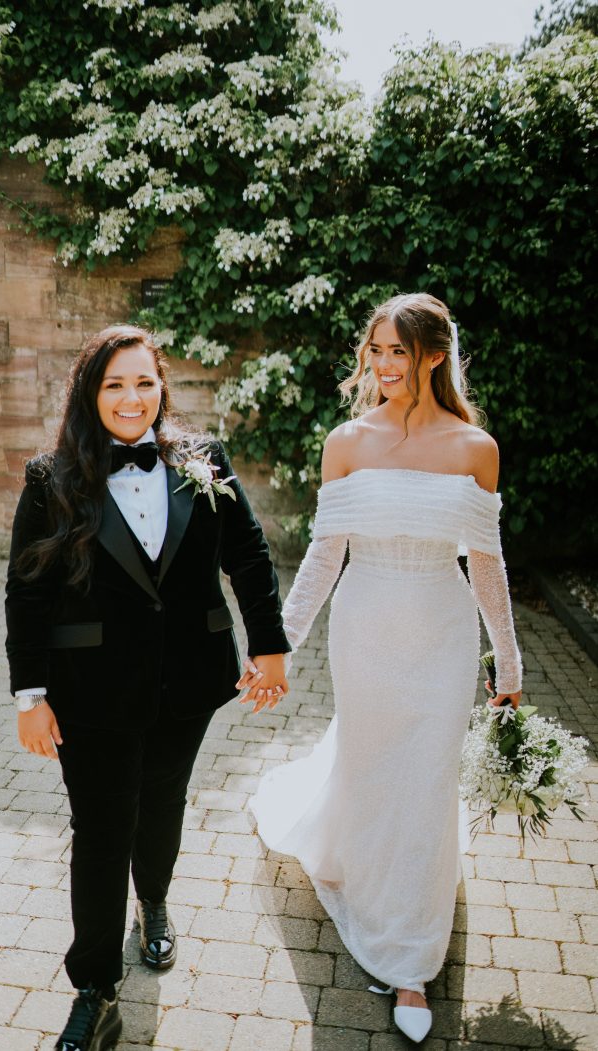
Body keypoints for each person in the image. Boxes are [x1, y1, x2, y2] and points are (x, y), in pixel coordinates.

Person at [245, 293, 522, 1043]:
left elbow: (487, 566)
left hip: (442, 632)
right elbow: (323, 557)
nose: (384, 364)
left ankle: (410, 961)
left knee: (429, 778)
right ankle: (368, 874)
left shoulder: (475, 448)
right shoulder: (345, 441)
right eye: (376, 349)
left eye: (399, 350)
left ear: (435, 355)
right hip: (364, 630)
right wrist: (278, 644)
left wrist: (510, 659)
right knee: (373, 767)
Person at [5, 324, 289, 1051]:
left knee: (162, 804)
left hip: (189, 682)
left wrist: (269, 645)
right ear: (89, 393)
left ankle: (154, 903)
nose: (132, 398)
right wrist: (29, 695)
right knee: (102, 831)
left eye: (144, 382)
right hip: (89, 693)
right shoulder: (51, 478)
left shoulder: (203, 461)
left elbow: (250, 556)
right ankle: (96, 988)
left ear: (162, 386)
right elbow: (26, 593)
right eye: (114, 384)